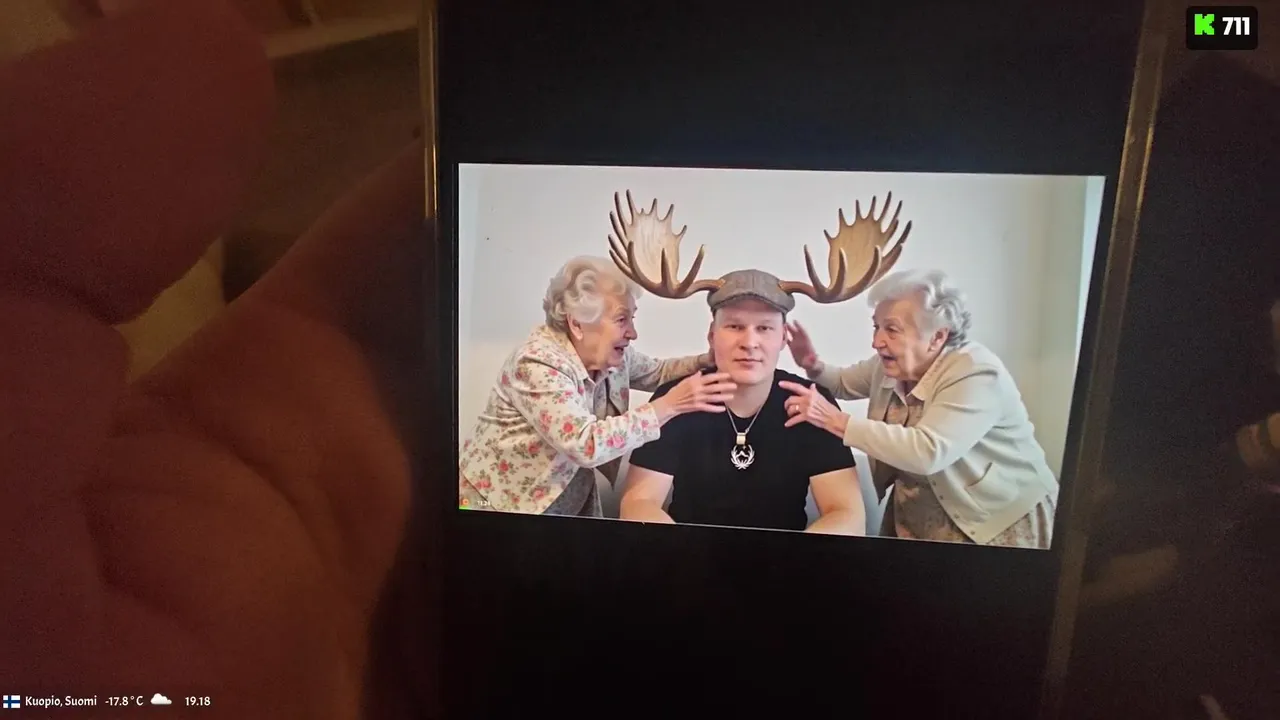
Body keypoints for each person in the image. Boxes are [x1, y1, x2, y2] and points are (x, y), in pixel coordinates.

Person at [780, 268, 1059, 548]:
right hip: (921, 519)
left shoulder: (976, 372)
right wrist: (812, 365)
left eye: (891, 329)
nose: (876, 342)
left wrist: (835, 420)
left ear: (937, 337)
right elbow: (842, 382)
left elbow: (928, 452)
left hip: (995, 523)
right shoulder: (889, 366)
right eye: (876, 327)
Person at [458, 255, 737, 516]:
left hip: (564, 507)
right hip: (495, 506)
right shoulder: (536, 362)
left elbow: (658, 371)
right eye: (621, 319)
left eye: (632, 318)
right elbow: (586, 444)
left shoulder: (613, 356)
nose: (633, 332)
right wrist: (670, 405)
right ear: (577, 324)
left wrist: (708, 359)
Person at [618, 270, 866, 535]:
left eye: (764, 328)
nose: (749, 343)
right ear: (712, 335)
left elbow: (847, 513)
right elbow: (638, 503)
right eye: (735, 326)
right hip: (686, 554)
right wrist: (684, 555)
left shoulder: (812, 403)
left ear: (783, 338)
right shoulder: (675, 399)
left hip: (786, 557)